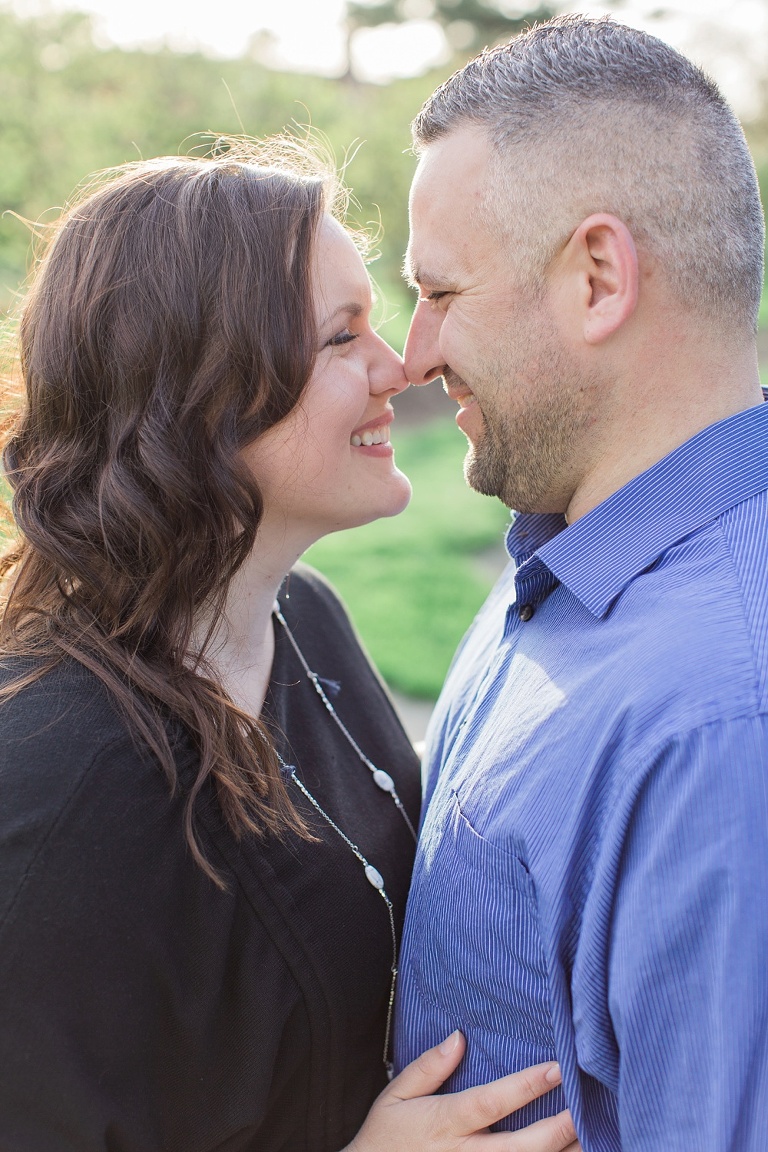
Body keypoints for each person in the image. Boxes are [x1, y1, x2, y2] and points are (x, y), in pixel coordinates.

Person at [0, 142, 581, 1151]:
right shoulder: (55, 781)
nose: (401, 367)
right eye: (341, 337)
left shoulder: (303, 619)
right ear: (201, 397)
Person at [394, 13, 768, 1151]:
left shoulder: (720, 729)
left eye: (442, 294)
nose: (412, 355)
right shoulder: (571, 557)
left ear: (598, 276)